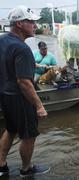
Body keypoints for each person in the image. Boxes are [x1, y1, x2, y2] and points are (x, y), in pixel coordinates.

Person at [0, 5, 49, 178]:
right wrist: (39, 106)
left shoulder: (3, 41)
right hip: (21, 99)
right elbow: (24, 82)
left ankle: (2, 166)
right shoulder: (23, 48)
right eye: (31, 22)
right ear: (20, 24)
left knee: (11, 129)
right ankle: (26, 169)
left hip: (5, 95)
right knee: (29, 135)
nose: (35, 26)